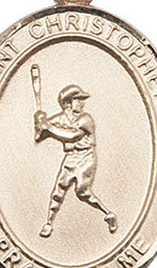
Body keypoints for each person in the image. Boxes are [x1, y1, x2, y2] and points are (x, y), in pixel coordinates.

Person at [34, 84, 117, 238]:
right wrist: (39, 122)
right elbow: (39, 137)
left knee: (82, 192)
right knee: (59, 189)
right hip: (71, 157)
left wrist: (49, 128)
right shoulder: (60, 118)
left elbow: (72, 136)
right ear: (68, 103)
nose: (82, 103)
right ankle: (49, 223)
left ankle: (108, 214)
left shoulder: (86, 119)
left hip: (86, 157)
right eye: (78, 99)